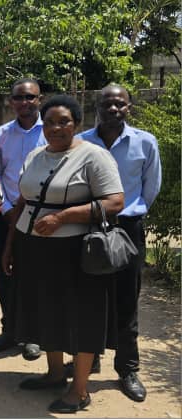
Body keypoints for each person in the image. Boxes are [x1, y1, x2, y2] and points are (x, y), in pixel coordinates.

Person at [2, 95, 125, 413]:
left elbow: (115, 202)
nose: (56, 128)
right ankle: (55, 373)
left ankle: (80, 389)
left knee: (82, 316)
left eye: (64, 122)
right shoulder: (35, 155)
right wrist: (10, 246)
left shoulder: (93, 156)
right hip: (34, 247)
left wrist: (63, 217)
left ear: (77, 124)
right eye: (51, 122)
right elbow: (22, 202)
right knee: (46, 311)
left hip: (77, 251)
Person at [79, 84, 161, 403]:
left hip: (127, 227)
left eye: (119, 104)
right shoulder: (82, 142)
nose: (113, 109)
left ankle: (127, 368)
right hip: (88, 226)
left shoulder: (145, 142)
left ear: (129, 107)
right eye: (107, 103)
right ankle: (90, 358)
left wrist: (128, 214)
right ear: (96, 106)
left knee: (126, 299)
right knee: (89, 296)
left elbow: (150, 188)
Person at [0, 79, 45, 360]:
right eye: (19, 97)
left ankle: (33, 334)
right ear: (11, 101)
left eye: (30, 97)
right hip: (6, 215)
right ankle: (10, 330)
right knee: (5, 272)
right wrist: (6, 207)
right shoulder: (0, 134)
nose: (24, 102)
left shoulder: (53, 131)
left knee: (36, 275)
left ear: (39, 99)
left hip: (43, 218)